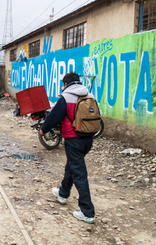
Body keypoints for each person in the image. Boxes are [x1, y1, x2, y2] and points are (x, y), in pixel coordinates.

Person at [39, 72, 95, 224]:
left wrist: (43, 130)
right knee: (72, 166)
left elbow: (54, 117)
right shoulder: (90, 95)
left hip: (73, 139)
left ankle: (87, 212)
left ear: (65, 84)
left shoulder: (66, 97)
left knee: (79, 174)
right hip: (88, 139)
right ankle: (63, 193)